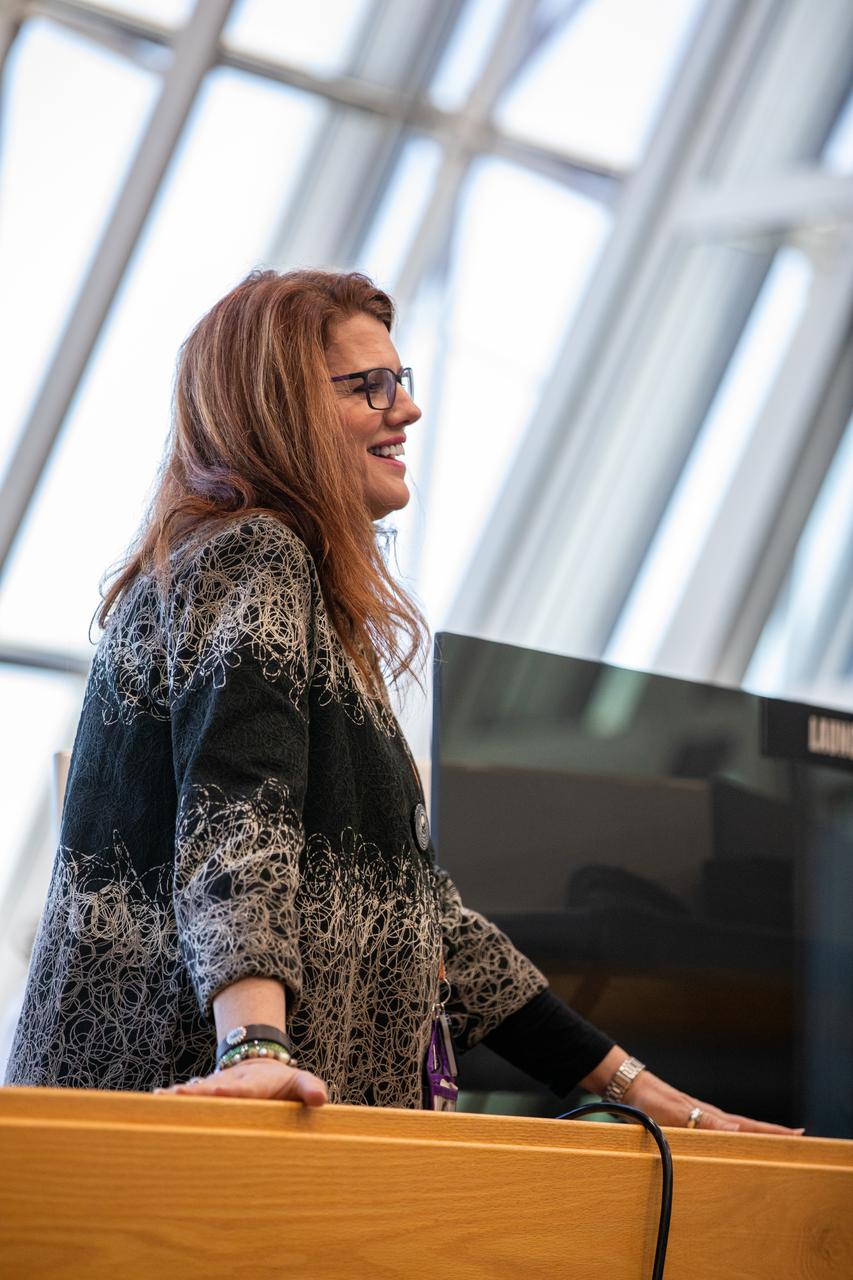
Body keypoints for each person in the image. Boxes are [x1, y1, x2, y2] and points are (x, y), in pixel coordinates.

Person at [5, 269, 799, 1134]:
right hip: (180, 1128)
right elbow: (238, 820)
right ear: (279, 410)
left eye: (401, 381)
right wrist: (255, 1049)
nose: (406, 410)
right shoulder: (253, 554)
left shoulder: (302, 595)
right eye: (367, 386)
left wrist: (661, 1102)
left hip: (240, 1131)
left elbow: (426, 924)